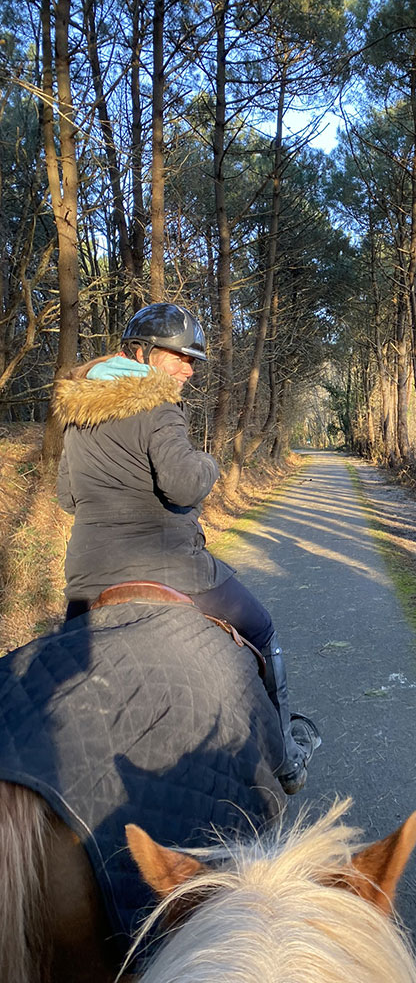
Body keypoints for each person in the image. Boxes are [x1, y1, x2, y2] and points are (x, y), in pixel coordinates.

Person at [53, 302, 319, 794]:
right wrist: (210, 465)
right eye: (177, 357)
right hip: (172, 568)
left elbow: (67, 497)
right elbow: (182, 485)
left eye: (192, 360)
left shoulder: (76, 414)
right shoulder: (158, 407)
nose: (187, 369)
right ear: (140, 353)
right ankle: (286, 759)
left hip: (88, 581)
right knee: (262, 629)